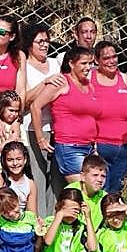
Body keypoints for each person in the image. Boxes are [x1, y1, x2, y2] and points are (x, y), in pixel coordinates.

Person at [30, 46, 99, 183]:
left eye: (90, 63)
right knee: (86, 188)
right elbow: (35, 106)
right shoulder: (61, 82)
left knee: (93, 189)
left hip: (89, 146)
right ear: (71, 63)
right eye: (84, 63)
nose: (88, 67)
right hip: (70, 146)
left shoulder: (89, 85)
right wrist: (40, 138)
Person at [20, 22, 63, 214]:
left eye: (46, 41)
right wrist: (45, 83)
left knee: (56, 180)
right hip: (33, 128)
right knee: (38, 178)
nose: (44, 45)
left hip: (57, 128)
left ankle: (53, 220)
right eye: (40, 41)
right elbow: (24, 100)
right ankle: (39, 220)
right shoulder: (25, 67)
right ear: (30, 44)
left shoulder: (56, 63)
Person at [91, 40, 127, 194]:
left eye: (114, 56)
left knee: (115, 191)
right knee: (99, 190)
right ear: (96, 60)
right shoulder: (90, 79)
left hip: (124, 146)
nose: (111, 61)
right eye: (106, 58)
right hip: (100, 146)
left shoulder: (125, 79)